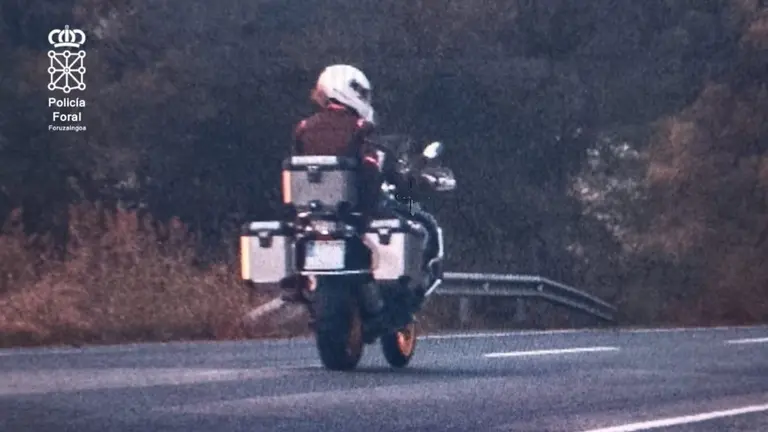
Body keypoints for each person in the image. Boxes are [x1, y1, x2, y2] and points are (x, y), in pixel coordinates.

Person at [285, 64, 442, 332]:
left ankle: (308, 287)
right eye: (361, 93)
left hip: (312, 214)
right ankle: (404, 298)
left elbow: (298, 168)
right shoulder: (359, 128)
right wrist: (404, 183)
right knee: (422, 219)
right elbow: (373, 170)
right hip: (364, 208)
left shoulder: (303, 129)